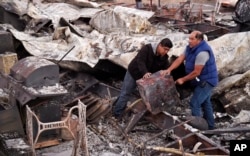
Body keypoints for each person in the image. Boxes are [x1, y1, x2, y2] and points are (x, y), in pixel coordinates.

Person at [161, 30, 218, 130]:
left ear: (199, 40)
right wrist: (169, 70)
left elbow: (196, 72)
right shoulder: (190, 48)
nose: (189, 41)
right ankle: (211, 127)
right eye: (189, 38)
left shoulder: (203, 52)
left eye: (192, 39)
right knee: (206, 102)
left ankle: (199, 130)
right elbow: (180, 59)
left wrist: (183, 79)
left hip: (207, 81)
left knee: (195, 103)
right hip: (200, 80)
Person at [113, 38, 173, 119]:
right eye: (165, 49)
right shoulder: (147, 49)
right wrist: (145, 72)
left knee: (147, 98)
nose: (166, 52)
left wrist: (166, 74)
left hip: (145, 79)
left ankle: (138, 114)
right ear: (159, 45)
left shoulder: (164, 58)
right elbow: (140, 61)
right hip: (134, 73)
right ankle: (117, 114)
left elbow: (166, 68)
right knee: (126, 93)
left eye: (168, 50)